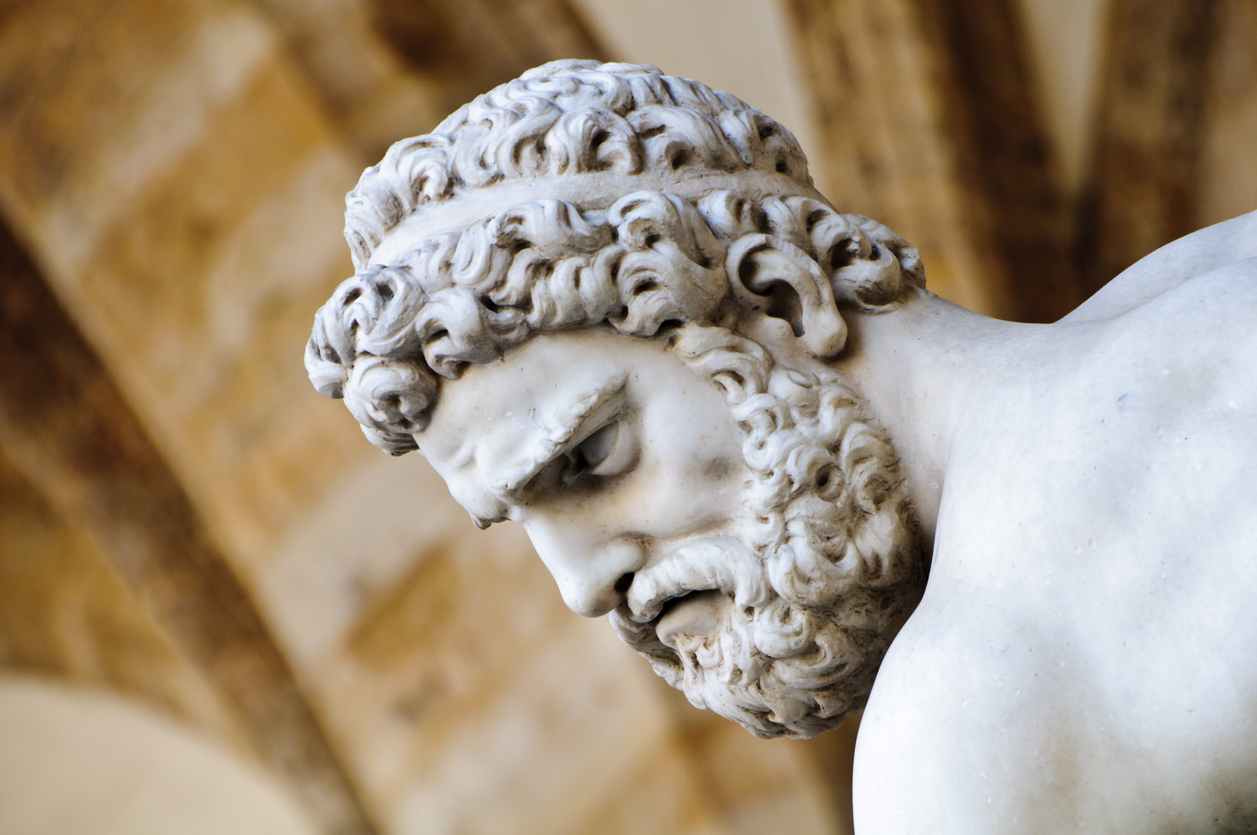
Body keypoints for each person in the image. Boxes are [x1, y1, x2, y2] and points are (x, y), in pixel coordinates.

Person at [307, 60, 1257, 832]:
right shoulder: (1219, 267)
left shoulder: (970, 728)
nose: (581, 585)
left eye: (591, 459)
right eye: (518, 521)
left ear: (782, 297)